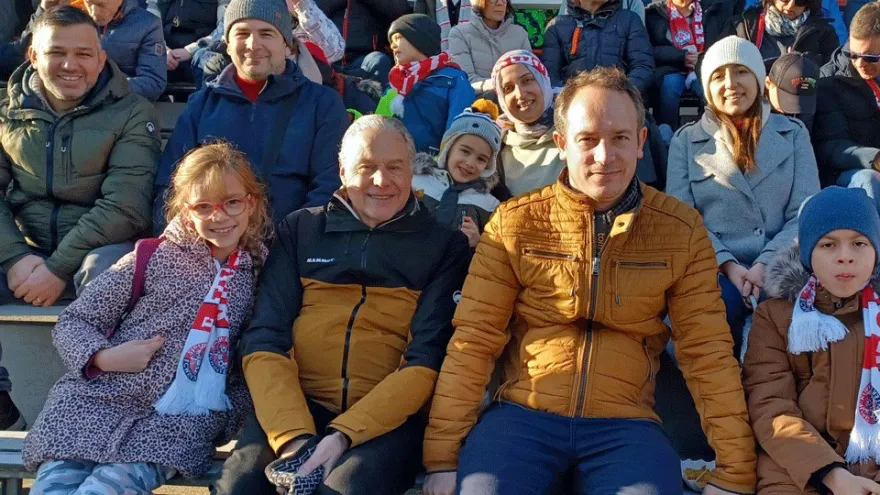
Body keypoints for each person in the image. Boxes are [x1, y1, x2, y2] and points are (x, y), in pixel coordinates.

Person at [421, 66, 756, 495]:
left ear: (639, 143)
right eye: (588, 140)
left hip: (626, 423)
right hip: (523, 415)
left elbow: (706, 351)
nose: (604, 155)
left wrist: (735, 470)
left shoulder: (679, 229)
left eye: (619, 138)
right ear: (562, 144)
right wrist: (443, 458)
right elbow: (474, 340)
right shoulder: (515, 223)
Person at [213, 116, 471, 495]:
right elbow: (265, 340)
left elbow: (425, 361)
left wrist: (341, 437)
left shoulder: (443, 246)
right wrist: (295, 440)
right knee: (242, 484)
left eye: (395, 167)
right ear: (342, 171)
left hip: (388, 421)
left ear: (411, 171)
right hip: (299, 403)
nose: (381, 182)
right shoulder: (301, 230)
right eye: (366, 168)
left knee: (340, 490)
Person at [21, 142, 269, 493]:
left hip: (171, 427)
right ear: (185, 210)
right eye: (203, 206)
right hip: (91, 408)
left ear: (251, 203)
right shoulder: (152, 257)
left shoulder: (262, 272)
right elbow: (75, 321)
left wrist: (226, 412)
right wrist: (104, 357)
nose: (219, 216)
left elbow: (257, 352)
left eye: (232, 202)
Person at [666, 36, 820, 358]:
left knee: (784, 317)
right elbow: (682, 220)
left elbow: (805, 212)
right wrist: (728, 265)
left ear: (757, 80)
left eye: (741, 72)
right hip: (714, 267)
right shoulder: (685, 141)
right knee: (719, 310)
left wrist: (766, 262)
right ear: (707, 87)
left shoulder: (793, 135)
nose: (731, 84)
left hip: (781, 260)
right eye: (719, 76)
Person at [156, 0, 349, 230]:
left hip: (289, 252)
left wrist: (289, 250)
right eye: (242, 33)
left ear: (288, 44)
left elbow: (328, 189)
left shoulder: (322, 105)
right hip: (209, 249)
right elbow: (169, 187)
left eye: (266, 33)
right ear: (227, 45)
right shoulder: (201, 106)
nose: (253, 44)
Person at [743, 186, 880, 494]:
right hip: (796, 468)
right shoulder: (776, 317)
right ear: (807, 253)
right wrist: (830, 473)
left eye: (859, 243)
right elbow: (770, 405)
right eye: (828, 245)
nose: (845, 257)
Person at [813, 2, 880, 213]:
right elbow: (831, 147)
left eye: (870, 57)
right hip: (850, 173)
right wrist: (874, 158)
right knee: (869, 179)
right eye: (853, 54)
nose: (860, 63)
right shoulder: (829, 79)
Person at [189, 0, 345, 88]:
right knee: (206, 58)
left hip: (296, 78)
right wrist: (188, 50)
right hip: (243, 75)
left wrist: (301, 8)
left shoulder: (305, 8)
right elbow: (221, 37)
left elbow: (335, 52)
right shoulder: (243, 5)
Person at [413, 103, 502, 248]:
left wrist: (478, 243)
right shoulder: (415, 181)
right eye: (465, 151)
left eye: (481, 159)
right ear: (448, 148)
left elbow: (494, 255)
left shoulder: (489, 206)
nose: (470, 163)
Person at [387, 13, 475, 154]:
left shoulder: (453, 79)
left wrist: (444, 161)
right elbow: (382, 122)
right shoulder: (396, 81)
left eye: (398, 37)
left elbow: (459, 127)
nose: (392, 45)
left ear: (419, 39)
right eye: (391, 40)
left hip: (432, 166)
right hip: (395, 162)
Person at [645, 0, 732, 128]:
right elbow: (649, 49)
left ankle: (714, 132)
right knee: (670, 87)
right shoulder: (654, 13)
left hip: (704, 68)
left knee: (708, 90)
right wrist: (681, 56)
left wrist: (701, 58)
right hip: (671, 68)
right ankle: (668, 136)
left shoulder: (712, 9)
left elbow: (722, 42)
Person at [541, 0, 654, 93]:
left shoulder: (630, 20)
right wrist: (570, 99)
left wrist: (623, 94)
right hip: (573, 107)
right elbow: (550, 76)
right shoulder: (556, 27)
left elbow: (643, 66)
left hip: (621, 104)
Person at [81, 0, 167, 101]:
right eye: (89, 3)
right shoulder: (75, 18)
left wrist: (105, 88)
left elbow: (153, 83)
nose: (94, 13)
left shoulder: (149, 24)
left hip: (120, 105)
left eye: (101, 4)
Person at [447, 0, 530, 100]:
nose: (500, 3)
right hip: (476, 102)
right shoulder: (459, 34)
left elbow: (530, 75)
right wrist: (500, 85)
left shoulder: (520, 34)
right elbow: (466, 79)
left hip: (517, 99)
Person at [316, 0, 411, 85]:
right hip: (329, 58)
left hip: (366, 58)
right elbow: (311, 9)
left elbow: (400, 9)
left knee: (380, 61)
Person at [730, 0, 839, 73]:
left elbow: (830, 75)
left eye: (800, 0)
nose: (790, 5)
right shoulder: (745, 24)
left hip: (798, 102)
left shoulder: (824, 33)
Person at [146, 0, 229, 83]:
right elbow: (149, 28)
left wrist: (190, 51)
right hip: (165, 52)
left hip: (204, 50)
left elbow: (225, 29)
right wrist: (163, 50)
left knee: (208, 61)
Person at [766, 51, 819, 131]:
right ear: (768, 83)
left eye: (803, 101)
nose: (795, 109)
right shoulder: (747, 104)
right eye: (787, 98)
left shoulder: (806, 114)